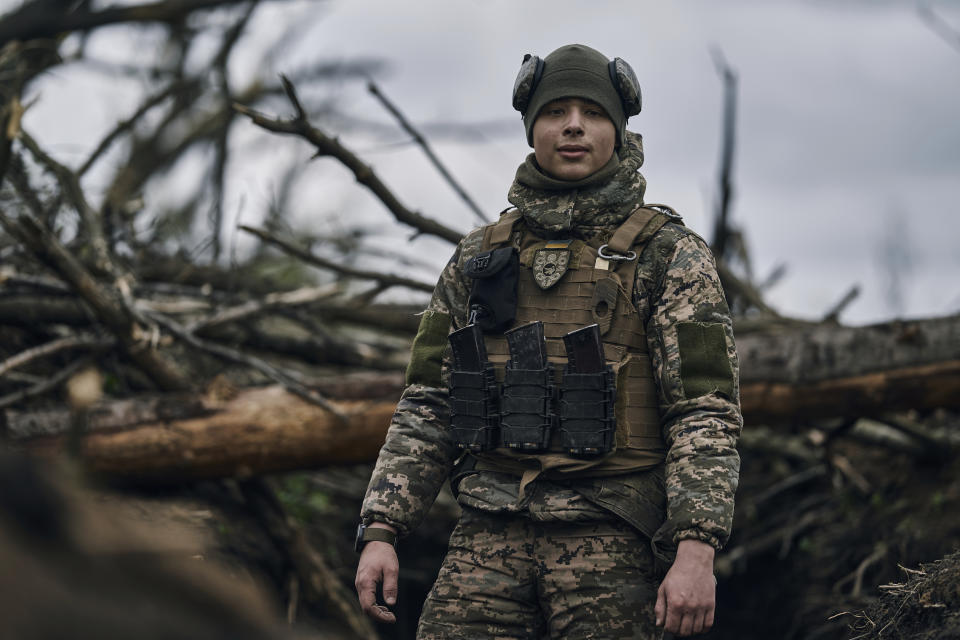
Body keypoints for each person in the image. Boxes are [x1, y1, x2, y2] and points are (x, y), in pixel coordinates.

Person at [354, 43, 742, 639]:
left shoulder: (670, 255)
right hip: (487, 533)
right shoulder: (482, 256)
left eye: (593, 113)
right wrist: (382, 529)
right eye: (555, 111)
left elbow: (704, 411)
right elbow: (427, 401)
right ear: (532, 125)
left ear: (618, 126)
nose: (574, 126)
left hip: (613, 535)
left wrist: (697, 548)